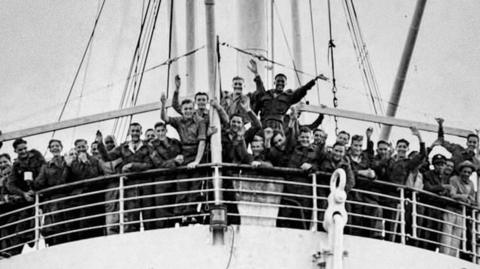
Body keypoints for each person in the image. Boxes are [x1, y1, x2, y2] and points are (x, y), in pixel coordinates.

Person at [97, 123, 153, 232]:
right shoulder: (123, 147)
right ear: (130, 132)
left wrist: (132, 165)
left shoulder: (148, 147)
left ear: (141, 132)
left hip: (146, 186)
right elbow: (107, 157)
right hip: (130, 187)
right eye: (133, 131)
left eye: (137, 131)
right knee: (132, 219)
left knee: (149, 217)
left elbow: (150, 164)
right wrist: (100, 144)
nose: (135, 133)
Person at [161, 93, 206, 221]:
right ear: (182, 110)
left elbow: (202, 141)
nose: (188, 111)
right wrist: (163, 104)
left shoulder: (200, 121)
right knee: (182, 184)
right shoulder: (179, 121)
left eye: (190, 109)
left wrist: (197, 161)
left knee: (195, 185)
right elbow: (165, 118)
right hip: (184, 153)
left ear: (194, 109)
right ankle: (179, 215)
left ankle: (190, 213)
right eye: (185, 109)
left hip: (197, 152)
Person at [247, 59, 324, 132]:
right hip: (264, 125)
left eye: (282, 81)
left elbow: (302, 90)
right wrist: (256, 73)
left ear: (285, 84)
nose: (280, 83)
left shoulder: (288, 97)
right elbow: (260, 87)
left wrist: (314, 80)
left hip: (278, 127)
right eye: (278, 81)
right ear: (274, 82)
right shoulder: (266, 94)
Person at [6, 138, 45, 255]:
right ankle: (13, 252)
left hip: (41, 194)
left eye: (24, 149)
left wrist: (35, 186)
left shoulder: (36, 155)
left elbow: (44, 170)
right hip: (28, 200)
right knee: (19, 224)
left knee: (38, 222)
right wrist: (23, 194)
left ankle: (34, 241)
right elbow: (10, 184)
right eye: (20, 150)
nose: (23, 151)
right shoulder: (16, 165)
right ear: (15, 151)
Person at [278, 127, 317, 229]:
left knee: (303, 220)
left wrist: (312, 167)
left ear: (312, 138)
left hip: (305, 192)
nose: (305, 139)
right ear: (299, 138)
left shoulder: (316, 152)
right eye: (302, 137)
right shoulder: (292, 149)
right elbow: (290, 135)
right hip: (289, 189)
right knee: (284, 219)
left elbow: (320, 165)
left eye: (307, 137)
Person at [66, 138, 104, 240]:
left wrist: (86, 162)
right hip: (78, 197)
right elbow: (72, 176)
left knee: (90, 224)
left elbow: (93, 175)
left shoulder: (94, 160)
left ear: (87, 147)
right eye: (79, 147)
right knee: (77, 224)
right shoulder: (73, 162)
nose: (81, 149)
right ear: (75, 148)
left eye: (83, 146)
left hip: (92, 195)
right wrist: (67, 165)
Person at [34, 139, 68, 245]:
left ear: (61, 147)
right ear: (49, 149)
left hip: (68, 197)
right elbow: (39, 182)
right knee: (56, 225)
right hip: (54, 200)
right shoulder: (46, 166)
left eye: (57, 146)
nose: (55, 148)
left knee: (68, 223)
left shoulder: (67, 161)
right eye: (52, 146)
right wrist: (30, 183)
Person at [149, 121, 183, 228]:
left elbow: (183, 154)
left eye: (162, 130)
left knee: (175, 208)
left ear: (166, 130)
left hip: (175, 179)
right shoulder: (152, 145)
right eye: (158, 131)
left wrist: (180, 159)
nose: (160, 133)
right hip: (161, 181)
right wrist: (175, 162)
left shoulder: (175, 142)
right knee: (162, 210)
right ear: (155, 132)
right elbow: (158, 163)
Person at [440, 161, 476, 256]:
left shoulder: (471, 184)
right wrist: (464, 197)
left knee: (456, 237)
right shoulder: (454, 179)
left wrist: (470, 200)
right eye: (464, 171)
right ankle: (444, 255)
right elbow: (452, 194)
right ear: (460, 172)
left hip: (461, 212)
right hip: (451, 209)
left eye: (469, 172)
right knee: (447, 235)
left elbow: (472, 198)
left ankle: (451, 257)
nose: (466, 174)